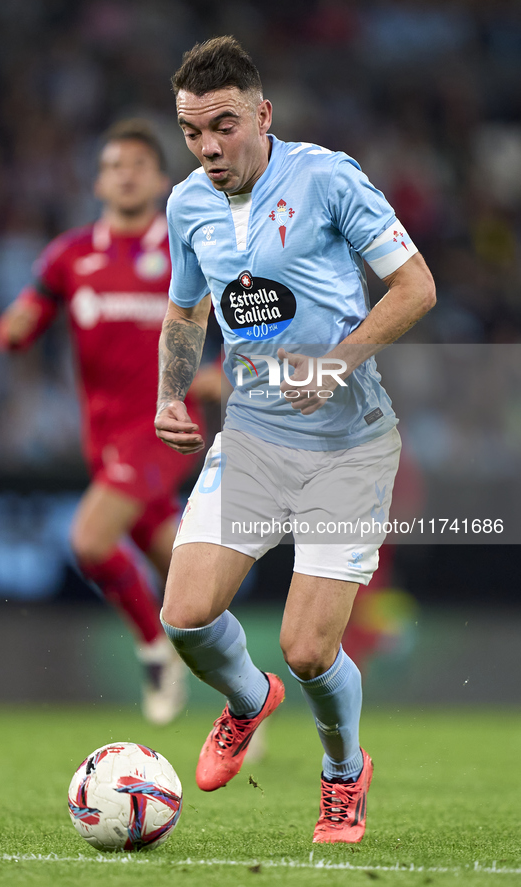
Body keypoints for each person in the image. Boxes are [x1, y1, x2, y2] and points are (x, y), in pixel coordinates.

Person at [154, 37, 435, 843]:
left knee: (309, 649)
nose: (208, 147)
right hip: (252, 437)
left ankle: (343, 772)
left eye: (224, 125)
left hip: (347, 444)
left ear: (262, 114)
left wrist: (340, 361)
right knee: (184, 614)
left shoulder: (325, 177)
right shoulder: (186, 206)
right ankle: (248, 700)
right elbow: (185, 311)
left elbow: (415, 286)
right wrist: (171, 394)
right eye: (192, 131)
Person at [0, 119, 206, 725]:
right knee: (185, 578)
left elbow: (232, 316)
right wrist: (13, 330)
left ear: (162, 181)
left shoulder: (184, 251)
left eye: (139, 164)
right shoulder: (70, 256)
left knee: (89, 540)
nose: (127, 173)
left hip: (166, 428)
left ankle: (152, 649)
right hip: (104, 439)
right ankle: (243, 697)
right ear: (99, 181)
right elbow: (23, 319)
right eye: (116, 164)